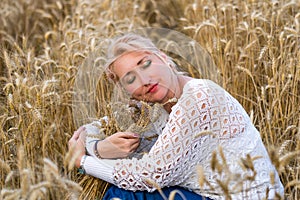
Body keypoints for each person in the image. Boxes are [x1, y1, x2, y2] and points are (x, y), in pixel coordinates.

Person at [68, 33, 284, 200]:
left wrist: (82, 161)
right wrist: (99, 148)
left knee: (124, 195)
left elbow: (151, 175)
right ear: (125, 90)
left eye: (145, 63)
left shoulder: (200, 97)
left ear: (163, 58)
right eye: (130, 78)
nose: (144, 79)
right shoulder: (155, 105)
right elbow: (94, 127)